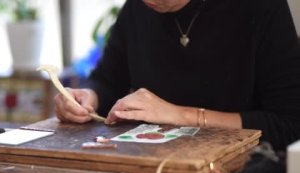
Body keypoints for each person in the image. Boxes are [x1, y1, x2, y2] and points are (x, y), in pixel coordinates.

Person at [54, 0, 300, 151]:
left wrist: (180, 115)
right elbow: (108, 80)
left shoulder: (259, 7)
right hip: (151, 170)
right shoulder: (137, 9)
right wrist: (88, 97)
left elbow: (289, 124)